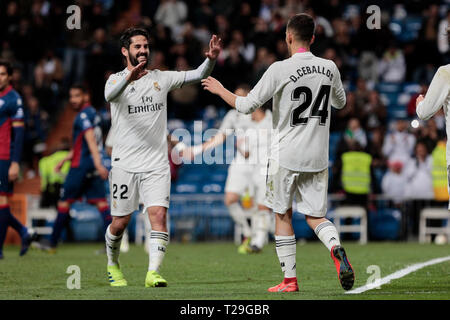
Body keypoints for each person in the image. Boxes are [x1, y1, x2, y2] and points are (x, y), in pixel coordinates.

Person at [201, 13, 353, 292]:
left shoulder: (279, 69)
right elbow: (341, 103)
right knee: (316, 216)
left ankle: (290, 281)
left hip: (285, 155)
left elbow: (246, 106)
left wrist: (221, 89)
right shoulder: (329, 67)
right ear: (314, 38)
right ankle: (335, 247)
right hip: (317, 156)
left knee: (282, 214)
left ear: (289, 37)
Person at [103, 28, 221, 287]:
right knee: (120, 223)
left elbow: (199, 74)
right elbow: (109, 96)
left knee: (158, 215)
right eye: (137, 46)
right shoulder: (115, 81)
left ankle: (153, 272)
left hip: (156, 163)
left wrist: (210, 59)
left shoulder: (162, 78)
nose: (143, 50)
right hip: (125, 164)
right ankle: (113, 264)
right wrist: (130, 78)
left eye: (145, 45)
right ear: (125, 51)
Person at [181, 84, 273, 254]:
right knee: (230, 199)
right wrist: (197, 150)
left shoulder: (266, 117)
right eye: (233, 95)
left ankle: (260, 240)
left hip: (262, 165)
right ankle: (248, 232)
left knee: (261, 205)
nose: (234, 100)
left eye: (238, 96)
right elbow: (220, 137)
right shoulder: (234, 115)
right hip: (241, 163)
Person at [44, 84, 111, 253]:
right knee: (101, 204)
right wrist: (66, 158)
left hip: (80, 166)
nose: (73, 100)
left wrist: (97, 163)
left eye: (77, 96)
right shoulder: (94, 114)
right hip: (89, 163)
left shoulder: (82, 116)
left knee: (64, 202)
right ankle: (111, 244)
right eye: (71, 96)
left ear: (86, 96)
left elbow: (89, 139)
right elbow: (84, 143)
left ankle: (51, 243)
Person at [0, 60, 36, 259]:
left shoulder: (14, 99)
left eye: (3, 74)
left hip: (4, 157)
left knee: (2, 200)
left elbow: (19, 134)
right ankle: (23, 231)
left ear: (10, 77)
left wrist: (14, 162)